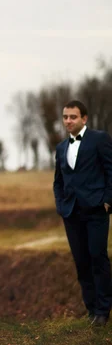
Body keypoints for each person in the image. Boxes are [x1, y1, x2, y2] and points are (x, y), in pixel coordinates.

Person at [53, 100, 112, 327]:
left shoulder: (100, 139)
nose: (68, 121)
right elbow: (58, 182)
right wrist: (61, 205)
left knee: (98, 258)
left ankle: (103, 310)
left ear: (84, 118)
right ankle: (91, 309)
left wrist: (107, 201)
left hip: (96, 210)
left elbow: (110, 171)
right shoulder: (60, 148)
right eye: (66, 117)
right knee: (81, 262)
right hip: (71, 213)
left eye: (73, 117)